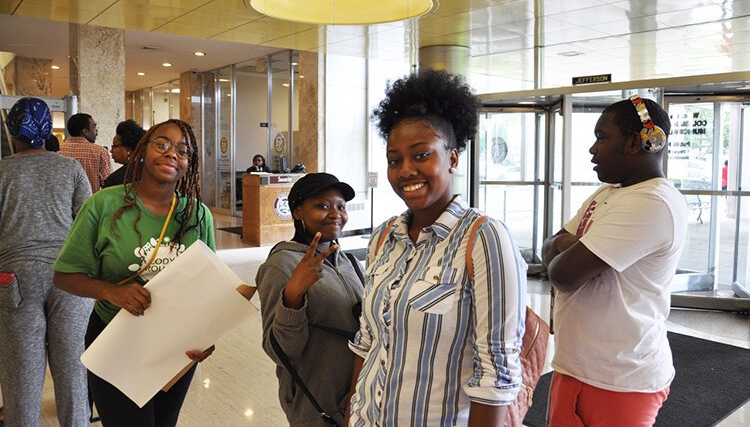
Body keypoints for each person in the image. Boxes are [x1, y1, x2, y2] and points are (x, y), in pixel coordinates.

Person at [347, 69, 526, 426]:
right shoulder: (384, 237)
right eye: (395, 160)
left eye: (421, 155)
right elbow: (368, 343)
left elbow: (496, 373)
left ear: (453, 158)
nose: (405, 171)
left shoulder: (484, 238)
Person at [52, 119, 216, 427]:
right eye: (162, 144)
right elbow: (63, 276)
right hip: (117, 338)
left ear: (188, 164)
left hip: (175, 345)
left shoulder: (197, 215)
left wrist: (205, 336)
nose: (172, 154)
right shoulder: (103, 205)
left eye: (183, 150)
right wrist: (112, 291)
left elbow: (208, 288)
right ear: (141, 152)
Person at [541, 97, 687, 427]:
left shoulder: (652, 203)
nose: (593, 149)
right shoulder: (609, 193)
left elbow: (562, 273)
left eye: (602, 137)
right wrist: (574, 247)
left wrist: (571, 247)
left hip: (620, 381)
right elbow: (548, 246)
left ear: (636, 143)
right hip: (575, 367)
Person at [0, 97, 93, 427]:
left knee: (20, 377)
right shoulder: (69, 169)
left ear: (13, 132)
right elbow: (87, 223)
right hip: (69, 276)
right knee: (72, 371)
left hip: (14, 280)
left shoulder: (2, 171)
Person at [256, 172, 362, 426]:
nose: (335, 214)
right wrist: (293, 295)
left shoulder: (350, 263)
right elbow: (280, 352)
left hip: (359, 395)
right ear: (298, 212)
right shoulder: (281, 265)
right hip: (316, 404)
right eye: (322, 206)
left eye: (341, 206)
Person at [60, 113, 112, 193]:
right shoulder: (100, 152)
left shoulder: (57, 151)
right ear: (85, 131)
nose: (96, 131)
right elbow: (108, 184)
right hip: (91, 203)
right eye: (94, 127)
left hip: (64, 204)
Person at [103, 119, 146, 188]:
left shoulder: (115, 180)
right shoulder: (150, 172)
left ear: (128, 150)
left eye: (115, 146)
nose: (111, 150)